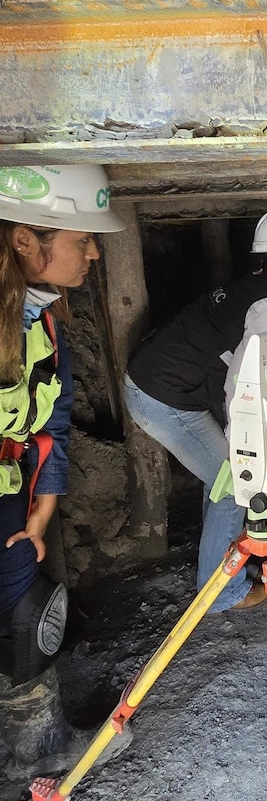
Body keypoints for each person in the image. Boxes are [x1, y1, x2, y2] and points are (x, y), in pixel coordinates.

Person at [124, 207, 267, 612]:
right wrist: (247, 451)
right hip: (162, 398)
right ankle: (221, 594)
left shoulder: (266, 295)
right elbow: (265, 390)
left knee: (225, 479)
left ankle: (225, 569)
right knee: (233, 485)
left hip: (163, 387)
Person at [0, 164, 125, 769]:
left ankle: (35, 745)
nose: (95, 252)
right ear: (26, 239)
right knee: (22, 611)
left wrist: (45, 496)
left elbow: (52, 417)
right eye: (82, 238)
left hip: (12, 490)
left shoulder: (42, 319)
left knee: (26, 613)